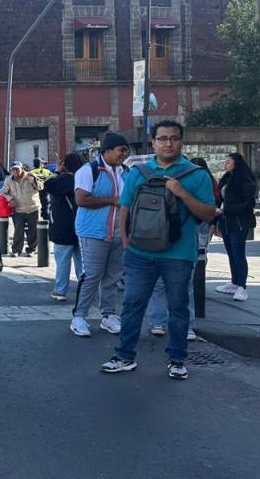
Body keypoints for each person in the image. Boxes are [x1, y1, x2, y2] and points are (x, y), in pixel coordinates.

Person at [101, 120, 216, 381]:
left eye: (174, 138)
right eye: (162, 138)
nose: (168, 143)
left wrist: (182, 193)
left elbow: (208, 214)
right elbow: (125, 209)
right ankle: (124, 356)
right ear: (153, 142)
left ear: (181, 142)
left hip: (178, 255)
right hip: (140, 254)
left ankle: (177, 359)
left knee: (177, 308)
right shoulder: (138, 173)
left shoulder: (195, 175)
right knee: (132, 305)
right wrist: (127, 244)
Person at [69, 132, 129, 337]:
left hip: (118, 232)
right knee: (92, 275)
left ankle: (108, 315)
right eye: (121, 150)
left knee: (113, 276)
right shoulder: (89, 171)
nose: (124, 154)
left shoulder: (126, 172)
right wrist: (112, 200)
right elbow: (81, 199)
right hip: (93, 231)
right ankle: (79, 316)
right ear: (108, 150)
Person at [148, 157, 214, 341]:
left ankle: (185, 325)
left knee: (183, 287)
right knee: (163, 285)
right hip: (160, 239)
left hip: (184, 244)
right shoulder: (155, 179)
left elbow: (206, 214)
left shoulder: (196, 182)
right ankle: (159, 321)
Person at [214, 153, 257, 302]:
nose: (225, 164)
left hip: (239, 222)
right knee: (231, 253)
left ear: (236, 164)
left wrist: (227, 210)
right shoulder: (226, 178)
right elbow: (220, 199)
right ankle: (234, 282)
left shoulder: (244, 181)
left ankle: (242, 286)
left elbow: (249, 204)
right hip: (225, 221)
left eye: (228, 162)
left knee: (238, 253)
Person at [47, 153, 85, 302]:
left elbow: (48, 185)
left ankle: (60, 290)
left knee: (63, 260)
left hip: (64, 227)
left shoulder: (66, 179)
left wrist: (57, 171)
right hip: (82, 226)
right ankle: (84, 289)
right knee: (81, 261)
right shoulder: (85, 178)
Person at [0, 162, 43, 257]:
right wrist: (10, 199)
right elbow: (3, 192)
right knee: (18, 229)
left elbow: (41, 187)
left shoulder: (30, 176)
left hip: (33, 207)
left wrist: (34, 181)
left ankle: (31, 249)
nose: (15, 171)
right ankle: (16, 250)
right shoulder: (9, 179)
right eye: (13, 169)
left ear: (22, 168)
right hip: (18, 209)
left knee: (33, 230)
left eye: (17, 169)